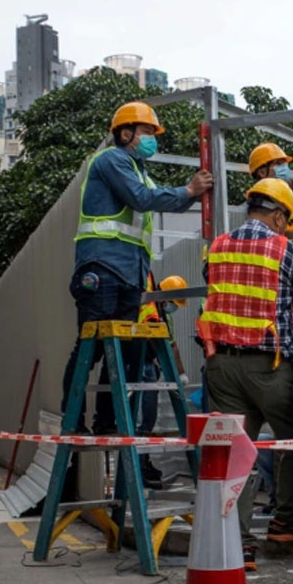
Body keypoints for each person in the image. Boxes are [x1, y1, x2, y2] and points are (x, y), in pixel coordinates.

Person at [61, 102, 212, 436]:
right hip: (101, 267)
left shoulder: (138, 169)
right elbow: (143, 199)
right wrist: (189, 190)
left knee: (122, 350)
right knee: (93, 347)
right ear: (125, 133)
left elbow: (155, 197)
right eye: (145, 132)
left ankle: (105, 421)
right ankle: (71, 421)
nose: (150, 140)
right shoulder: (113, 160)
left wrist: (193, 194)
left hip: (128, 272)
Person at [196, 177, 293, 571]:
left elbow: (211, 285)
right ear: (279, 214)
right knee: (291, 443)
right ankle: (286, 522)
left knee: (233, 453)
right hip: (270, 367)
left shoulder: (216, 247)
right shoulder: (286, 250)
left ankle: (239, 544)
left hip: (222, 365)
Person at [135, 273, 189, 488]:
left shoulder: (163, 315)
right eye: (173, 303)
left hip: (149, 366)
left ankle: (144, 463)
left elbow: (171, 345)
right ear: (164, 296)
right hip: (141, 365)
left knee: (147, 420)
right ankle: (139, 467)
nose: (173, 307)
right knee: (142, 421)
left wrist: (180, 374)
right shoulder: (147, 307)